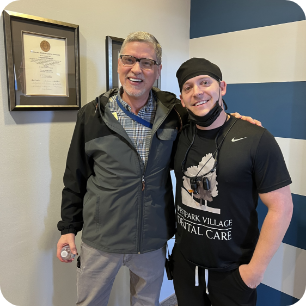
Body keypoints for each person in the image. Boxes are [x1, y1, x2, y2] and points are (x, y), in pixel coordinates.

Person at [56, 32, 260, 306]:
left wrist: (233, 120)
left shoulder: (174, 111)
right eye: (129, 60)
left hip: (152, 240)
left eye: (147, 62)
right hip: (101, 238)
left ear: (157, 70)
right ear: (119, 64)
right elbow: (75, 176)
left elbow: (206, 114)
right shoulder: (92, 115)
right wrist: (68, 228)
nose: (136, 69)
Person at [172, 57, 293, 306]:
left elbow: (281, 207)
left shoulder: (255, 138)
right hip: (186, 269)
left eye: (205, 82)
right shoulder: (178, 135)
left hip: (234, 274)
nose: (198, 92)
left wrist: (254, 273)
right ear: (182, 99)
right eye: (188, 87)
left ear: (222, 87)